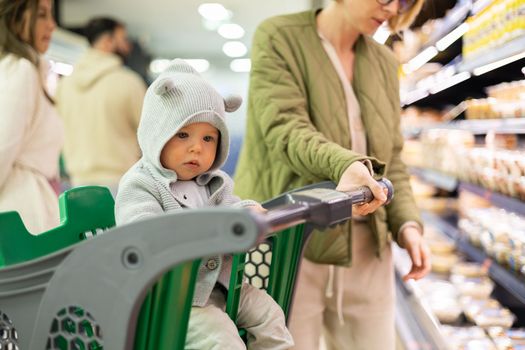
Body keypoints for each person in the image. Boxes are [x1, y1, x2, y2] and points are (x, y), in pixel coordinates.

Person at [234, 0, 431, 349]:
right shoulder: (279, 38)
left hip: (369, 248)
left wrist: (408, 225)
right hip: (292, 243)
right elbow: (286, 130)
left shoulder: (384, 61)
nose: (392, 8)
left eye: (404, 1)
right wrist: (345, 166)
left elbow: (393, 157)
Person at [115, 59, 294, 350]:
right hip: (170, 298)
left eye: (208, 138)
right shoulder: (141, 184)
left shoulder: (214, 182)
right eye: (183, 134)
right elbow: (139, 233)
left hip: (220, 286)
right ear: (156, 132)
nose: (197, 147)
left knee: (270, 315)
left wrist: (248, 213)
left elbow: (232, 207)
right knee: (221, 339)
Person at [55, 17, 146, 195]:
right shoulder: (129, 82)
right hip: (122, 183)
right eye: (123, 39)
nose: (128, 46)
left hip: (77, 184)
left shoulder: (65, 85)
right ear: (107, 41)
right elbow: (149, 135)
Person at [0, 0, 63, 233]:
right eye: (41, 15)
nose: (52, 25)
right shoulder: (20, 70)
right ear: (16, 18)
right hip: (22, 214)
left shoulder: (27, 69)